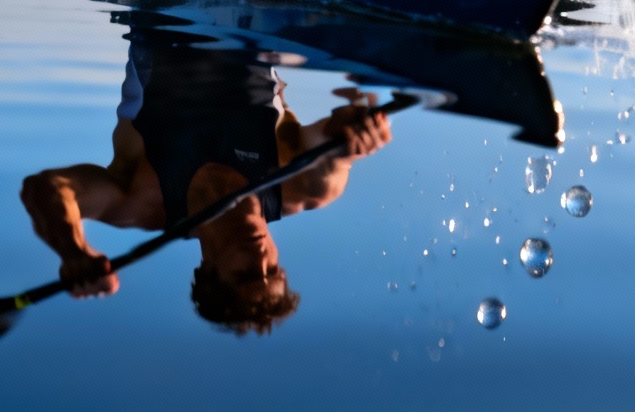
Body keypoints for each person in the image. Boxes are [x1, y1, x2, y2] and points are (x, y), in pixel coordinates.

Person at [20, 21, 394, 336]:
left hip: (163, 14)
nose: (262, 259)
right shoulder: (306, 186)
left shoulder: (143, 200)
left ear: (207, 269)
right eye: (274, 269)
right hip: (254, 23)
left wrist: (73, 251)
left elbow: (47, 188)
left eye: (248, 273)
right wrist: (356, 131)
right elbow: (337, 135)